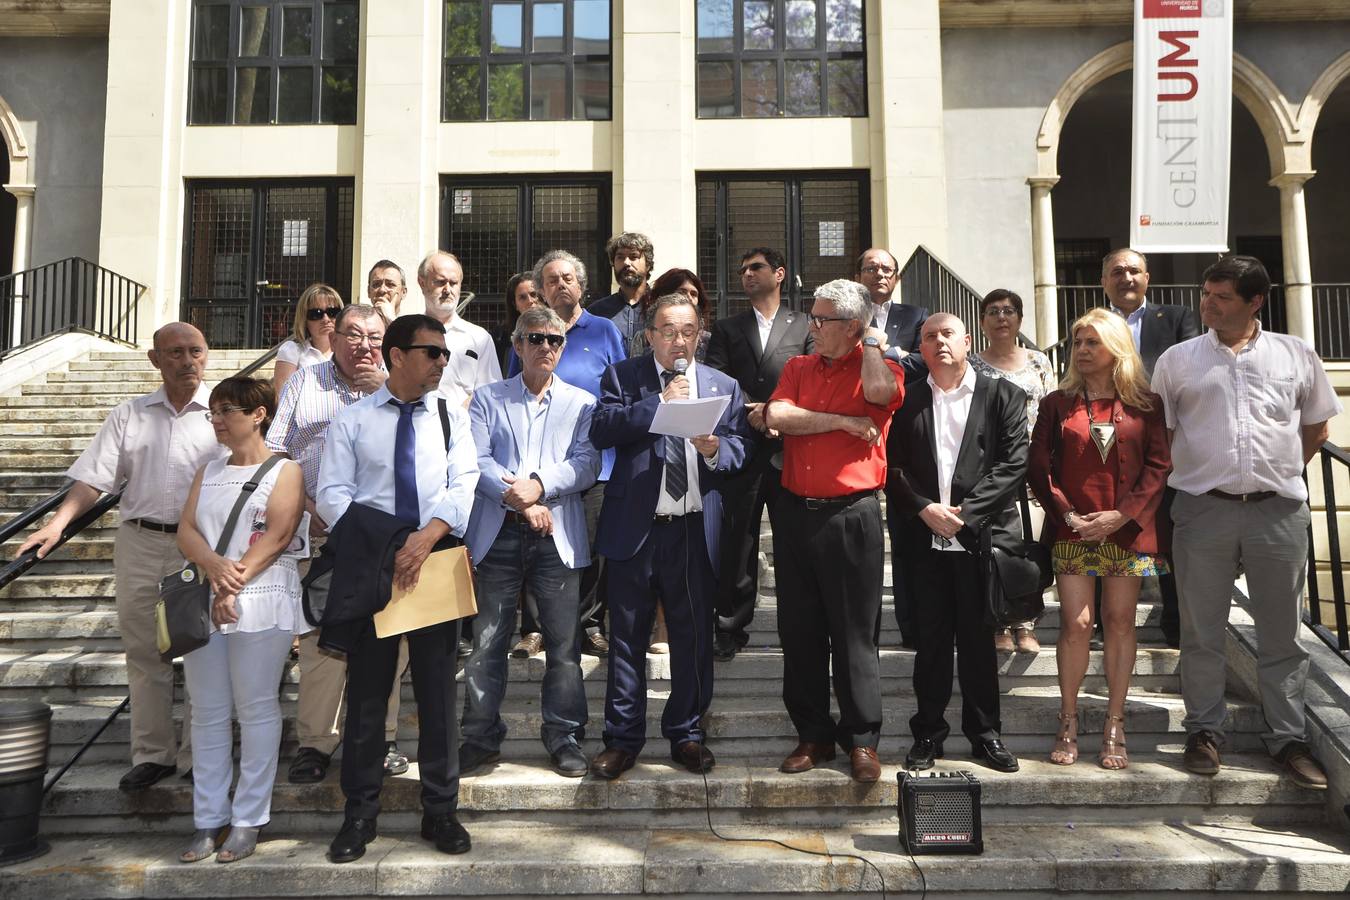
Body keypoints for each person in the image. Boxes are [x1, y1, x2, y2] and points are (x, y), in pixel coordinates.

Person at [1152, 254, 1342, 791]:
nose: (1206, 303)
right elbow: (1162, 438)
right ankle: (1204, 732)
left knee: (1284, 633)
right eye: (1205, 293)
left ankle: (1288, 739)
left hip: (1278, 511)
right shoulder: (1177, 360)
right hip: (1201, 508)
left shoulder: (1296, 354)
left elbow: (1316, 430)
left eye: (1221, 296)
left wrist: (1271, 475)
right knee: (1201, 629)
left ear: (1255, 301)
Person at [19, 323, 220, 791]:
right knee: (144, 651)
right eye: (175, 353)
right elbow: (94, 479)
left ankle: (197, 757)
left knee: (200, 653)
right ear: (155, 360)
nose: (188, 361)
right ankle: (153, 754)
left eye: (196, 351)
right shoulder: (129, 415)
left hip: (201, 546)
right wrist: (56, 523)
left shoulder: (221, 413)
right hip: (141, 543)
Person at [318, 313, 479, 862]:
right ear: (396, 356)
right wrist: (391, 544)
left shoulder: (452, 417)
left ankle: (441, 811)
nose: (441, 362)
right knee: (367, 700)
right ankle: (359, 816)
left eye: (444, 354)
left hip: (435, 562)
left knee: (438, 696)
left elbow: (466, 483)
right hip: (374, 566)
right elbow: (333, 495)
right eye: (431, 353)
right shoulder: (354, 421)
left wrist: (427, 535)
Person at [588, 293, 755, 780]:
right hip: (635, 530)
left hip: (690, 529)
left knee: (694, 637)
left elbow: (742, 450)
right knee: (626, 640)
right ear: (649, 335)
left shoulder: (723, 385)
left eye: (688, 331)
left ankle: (686, 733)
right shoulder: (624, 376)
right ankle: (622, 740)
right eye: (668, 331)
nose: (678, 341)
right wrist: (658, 404)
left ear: (700, 333)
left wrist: (713, 449)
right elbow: (602, 429)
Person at [765, 279, 904, 783]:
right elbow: (778, 416)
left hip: (851, 515)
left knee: (853, 634)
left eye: (822, 320)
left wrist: (869, 342)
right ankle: (813, 734)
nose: (812, 327)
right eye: (813, 317)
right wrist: (844, 424)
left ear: (852, 326)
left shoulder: (878, 366)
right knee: (799, 631)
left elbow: (881, 394)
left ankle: (862, 739)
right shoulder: (798, 366)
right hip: (796, 511)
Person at [267, 305, 408, 783]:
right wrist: (308, 507)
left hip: (386, 542)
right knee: (320, 644)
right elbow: (275, 453)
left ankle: (379, 739)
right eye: (353, 334)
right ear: (335, 335)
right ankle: (315, 743)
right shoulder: (307, 381)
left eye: (374, 336)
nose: (364, 345)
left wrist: (381, 394)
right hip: (321, 535)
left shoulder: (403, 385)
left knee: (389, 642)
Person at [1028, 309, 1171, 770]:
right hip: (1073, 528)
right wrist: (1068, 514)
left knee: (1120, 620)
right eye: (1077, 342)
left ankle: (1114, 723)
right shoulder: (1057, 403)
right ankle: (1067, 721)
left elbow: (1159, 466)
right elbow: (1038, 467)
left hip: (1128, 531)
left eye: (1092, 342)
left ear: (1116, 348)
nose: (1082, 350)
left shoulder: (1147, 404)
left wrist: (1120, 515)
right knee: (1076, 623)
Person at [461, 306, 600, 778]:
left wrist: (538, 485)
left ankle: (564, 737)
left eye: (555, 340)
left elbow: (587, 464)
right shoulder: (486, 398)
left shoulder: (582, 402)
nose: (546, 347)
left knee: (564, 647)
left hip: (557, 538)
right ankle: (479, 739)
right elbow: (473, 460)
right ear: (517, 345)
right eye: (535, 339)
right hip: (496, 533)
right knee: (485, 644)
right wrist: (519, 498)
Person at [887, 313, 1027, 775]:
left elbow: (1012, 465)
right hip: (922, 537)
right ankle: (927, 733)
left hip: (978, 539)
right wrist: (925, 508)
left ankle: (985, 734)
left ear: (968, 341)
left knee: (977, 643)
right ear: (920, 349)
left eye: (947, 334)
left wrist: (964, 517)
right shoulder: (904, 400)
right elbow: (892, 465)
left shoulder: (1003, 394)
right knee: (929, 644)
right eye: (929, 337)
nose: (939, 342)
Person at [175, 377, 307, 863]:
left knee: (255, 708)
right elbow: (186, 530)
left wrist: (230, 583)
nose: (217, 419)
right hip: (207, 597)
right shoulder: (206, 470)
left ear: (259, 414)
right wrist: (212, 570)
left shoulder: (285, 469)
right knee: (207, 713)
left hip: (261, 596)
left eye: (227, 410)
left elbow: (278, 534)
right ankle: (208, 819)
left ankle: (249, 818)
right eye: (213, 411)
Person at [509, 250, 626, 659]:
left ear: (581, 284)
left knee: (593, 548)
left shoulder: (605, 330)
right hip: (539, 462)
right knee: (539, 544)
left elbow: (620, 389)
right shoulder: (530, 331)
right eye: (552, 279)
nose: (561, 284)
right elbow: (513, 391)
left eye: (568, 278)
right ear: (540, 289)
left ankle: (590, 624)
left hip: (598, 461)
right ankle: (535, 628)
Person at [703, 248, 812, 661]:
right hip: (743, 448)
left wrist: (777, 413)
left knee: (794, 544)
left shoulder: (803, 324)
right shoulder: (729, 328)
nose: (747, 274)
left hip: (791, 448)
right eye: (743, 269)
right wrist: (756, 411)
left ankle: (798, 629)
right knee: (739, 543)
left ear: (779, 274)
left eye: (756, 268)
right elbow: (718, 378)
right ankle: (730, 627)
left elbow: (811, 374)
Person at [1101, 247, 1200, 648]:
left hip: (1167, 447)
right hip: (1108, 448)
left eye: (1134, 271)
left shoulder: (1176, 318)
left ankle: (1176, 626)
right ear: (1103, 281)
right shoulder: (1094, 324)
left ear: (1147, 277)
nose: (1126, 278)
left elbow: (1191, 373)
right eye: (1117, 272)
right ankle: (1100, 624)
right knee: (1106, 530)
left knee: (1172, 539)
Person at [970, 288, 1056, 654]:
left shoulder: (1038, 361)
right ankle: (999, 623)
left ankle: (1027, 623)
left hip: (1035, 469)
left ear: (1020, 319)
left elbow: (1052, 410)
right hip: (994, 469)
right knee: (998, 550)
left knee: (1031, 549)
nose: (1001, 317)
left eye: (1009, 310)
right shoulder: (972, 364)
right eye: (993, 311)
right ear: (983, 320)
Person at [859, 247, 929, 649]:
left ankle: (912, 627)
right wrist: (896, 354)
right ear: (859, 274)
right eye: (871, 268)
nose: (879, 274)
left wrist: (882, 351)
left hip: (904, 434)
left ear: (896, 277)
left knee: (907, 536)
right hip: (858, 431)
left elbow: (925, 362)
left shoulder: (917, 317)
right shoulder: (847, 313)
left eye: (886, 269)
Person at [417, 250, 502, 408]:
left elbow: (491, 392)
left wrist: (459, 417)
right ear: (422, 283)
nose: (447, 290)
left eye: (454, 283)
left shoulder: (479, 337)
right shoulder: (408, 332)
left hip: (464, 428)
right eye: (440, 282)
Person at [586, 231, 653, 350]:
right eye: (620, 257)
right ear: (613, 263)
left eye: (633, 257)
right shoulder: (596, 312)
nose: (626, 263)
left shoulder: (661, 306)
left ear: (648, 264)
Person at [630, 268, 714, 362]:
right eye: (682, 292)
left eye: (694, 294)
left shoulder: (709, 340)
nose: (689, 298)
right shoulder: (643, 338)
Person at [273, 283, 344, 393]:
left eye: (332, 312)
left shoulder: (349, 351)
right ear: (304, 320)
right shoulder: (292, 351)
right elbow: (281, 398)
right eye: (316, 314)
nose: (326, 319)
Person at [492, 272, 542, 369]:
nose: (530, 301)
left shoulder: (558, 330)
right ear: (515, 305)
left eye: (533, 294)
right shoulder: (501, 336)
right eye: (522, 297)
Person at [367, 259, 408, 323]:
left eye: (390, 284)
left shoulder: (414, 327)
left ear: (403, 292)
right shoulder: (361, 324)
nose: (382, 290)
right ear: (369, 291)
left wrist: (391, 320)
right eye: (376, 284)